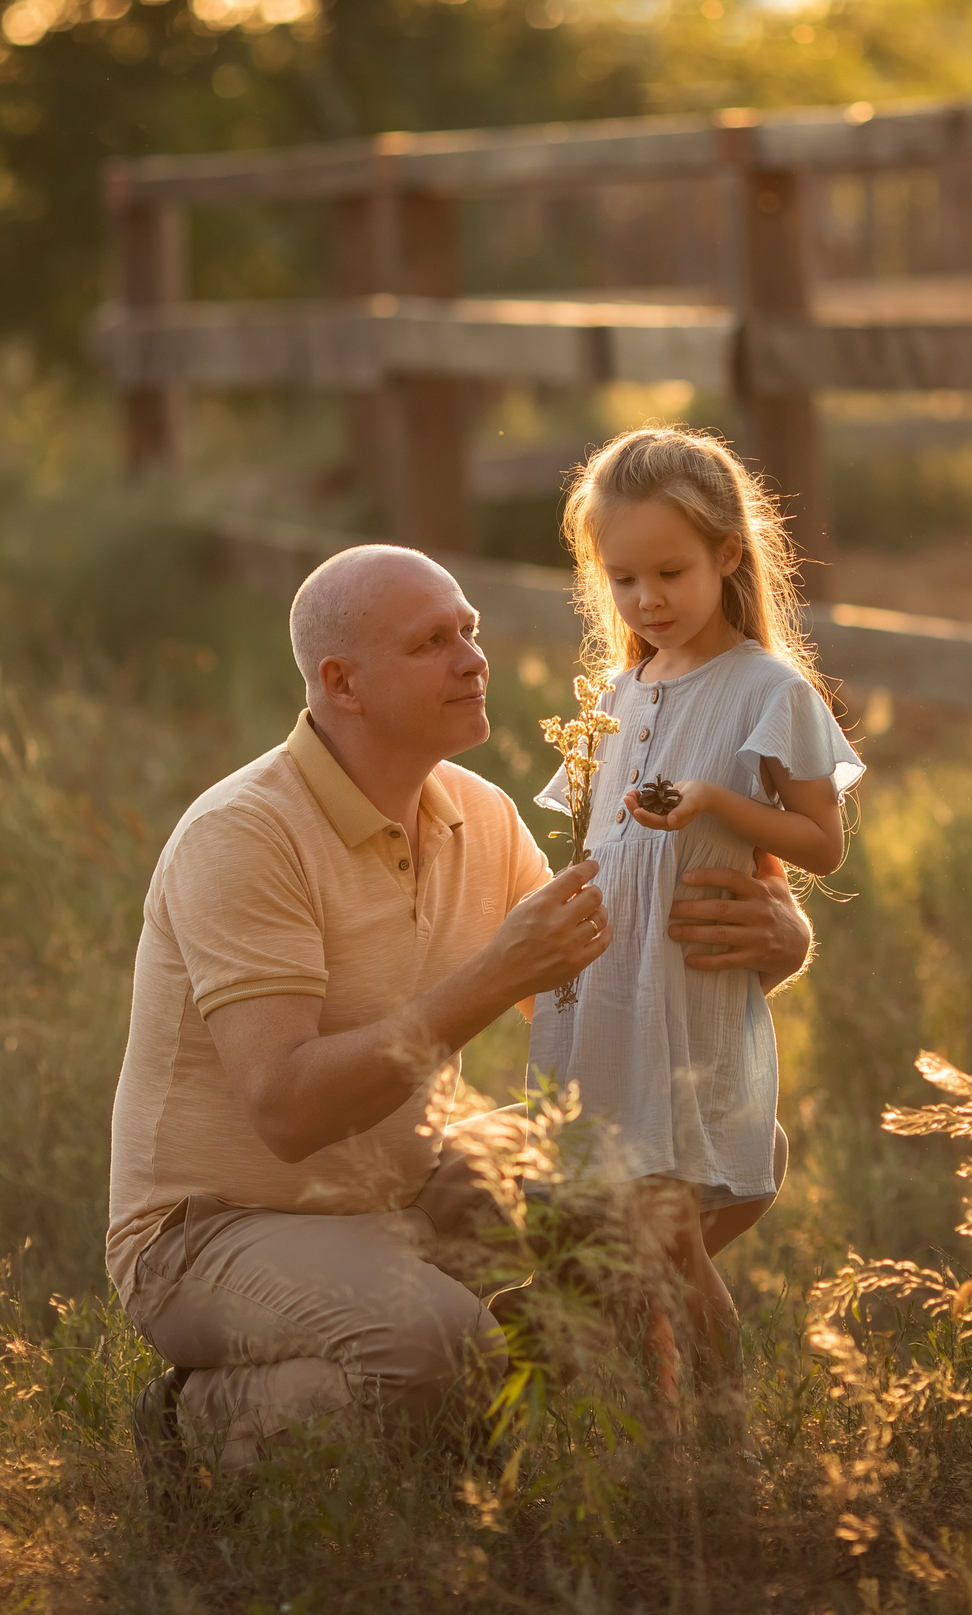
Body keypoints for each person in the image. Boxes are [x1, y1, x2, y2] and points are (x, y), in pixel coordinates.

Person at [108, 542, 815, 1484]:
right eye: (433, 642)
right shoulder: (245, 836)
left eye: (470, 630)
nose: (473, 657)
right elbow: (287, 1110)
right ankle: (192, 1419)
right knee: (440, 1352)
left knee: (717, 1152)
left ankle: (483, 1365)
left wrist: (774, 946)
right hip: (215, 1230)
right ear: (343, 683)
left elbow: (609, 1004)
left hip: (408, 1191)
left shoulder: (475, 814)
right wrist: (491, 975)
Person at [529, 426, 863, 1387]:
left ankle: (725, 1444)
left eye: (671, 571)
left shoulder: (768, 688)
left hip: (688, 998)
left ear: (728, 553)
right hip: (612, 993)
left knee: (663, 1230)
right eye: (624, 579)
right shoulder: (621, 687)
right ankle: (650, 1440)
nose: (648, 600)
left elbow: (821, 841)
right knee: (610, 1233)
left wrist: (716, 803)